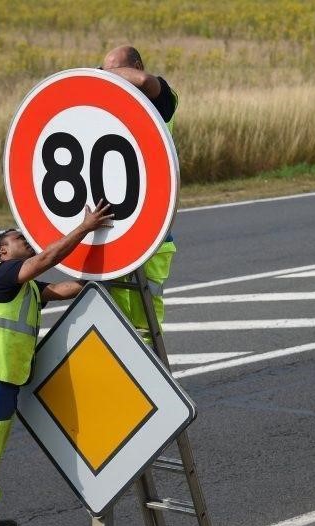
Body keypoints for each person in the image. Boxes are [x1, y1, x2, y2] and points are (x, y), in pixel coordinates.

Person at [0, 202, 113, 526]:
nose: (25, 239)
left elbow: (61, 289)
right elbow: (46, 259)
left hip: (1, 380)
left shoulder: (24, 287)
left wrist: (103, 276)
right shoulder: (1, 276)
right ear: (3, 250)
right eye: (17, 238)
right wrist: (85, 227)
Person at [100, 46, 179, 338]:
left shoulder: (161, 100)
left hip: (151, 222)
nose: (112, 79)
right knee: (111, 315)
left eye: (118, 71)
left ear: (135, 65)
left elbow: (146, 82)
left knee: (145, 322)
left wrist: (101, 75)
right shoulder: (111, 106)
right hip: (110, 221)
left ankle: (148, 369)